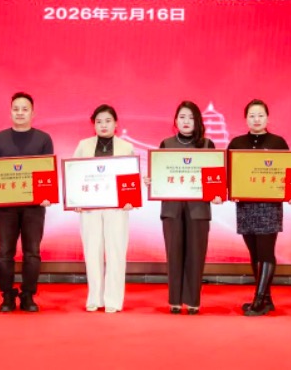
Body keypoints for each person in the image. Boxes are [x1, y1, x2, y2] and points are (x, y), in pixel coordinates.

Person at [149, 101, 220, 315]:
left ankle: (193, 301)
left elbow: (215, 177)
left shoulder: (207, 145)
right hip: (172, 209)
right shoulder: (166, 144)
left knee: (196, 254)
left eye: (190, 117)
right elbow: (159, 174)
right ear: (175, 121)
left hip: (199, 209)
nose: (186, 121)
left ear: (198, 121)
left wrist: (217, 193)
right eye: (182, 117)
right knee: (174, 254)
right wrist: (151, 180)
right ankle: (174, 300)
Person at [0, 92, 54, 313]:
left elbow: (47, 171)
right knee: (5, 252)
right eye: (16, 109)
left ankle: (28, 295)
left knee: (32, 252)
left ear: (33, 113)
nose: (20, 113)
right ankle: (7, 295)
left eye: (25, 109)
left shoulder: (43, 139)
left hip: (34, 207)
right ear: (10, 112)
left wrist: (47, 194)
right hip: (6, 207)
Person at [228, 99, 289, 316]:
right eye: (252, 115)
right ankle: (267, 299)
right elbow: (228, 172)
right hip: (245, 206)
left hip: (269, 206)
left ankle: (258, 300)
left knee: (265, 251)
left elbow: (290, 172)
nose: (256, 119)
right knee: (254, 252)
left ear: (267, 118)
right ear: (246, 119)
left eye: (260, 115)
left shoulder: (278, 143)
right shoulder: (236, 143)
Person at [73, 104, 135, 313]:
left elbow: (132, 178)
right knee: (92, 251)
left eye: (108, 121)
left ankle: (113, 300)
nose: (103, 125)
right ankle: (94, 298)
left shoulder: (126, 147)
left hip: (117, 208)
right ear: (93, 125)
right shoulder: (83, 146)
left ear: (116, 123)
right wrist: (75, 200)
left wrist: (130, 199)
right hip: (90, 208)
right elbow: (74, 174)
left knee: (116, 251)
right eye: (99, 122)